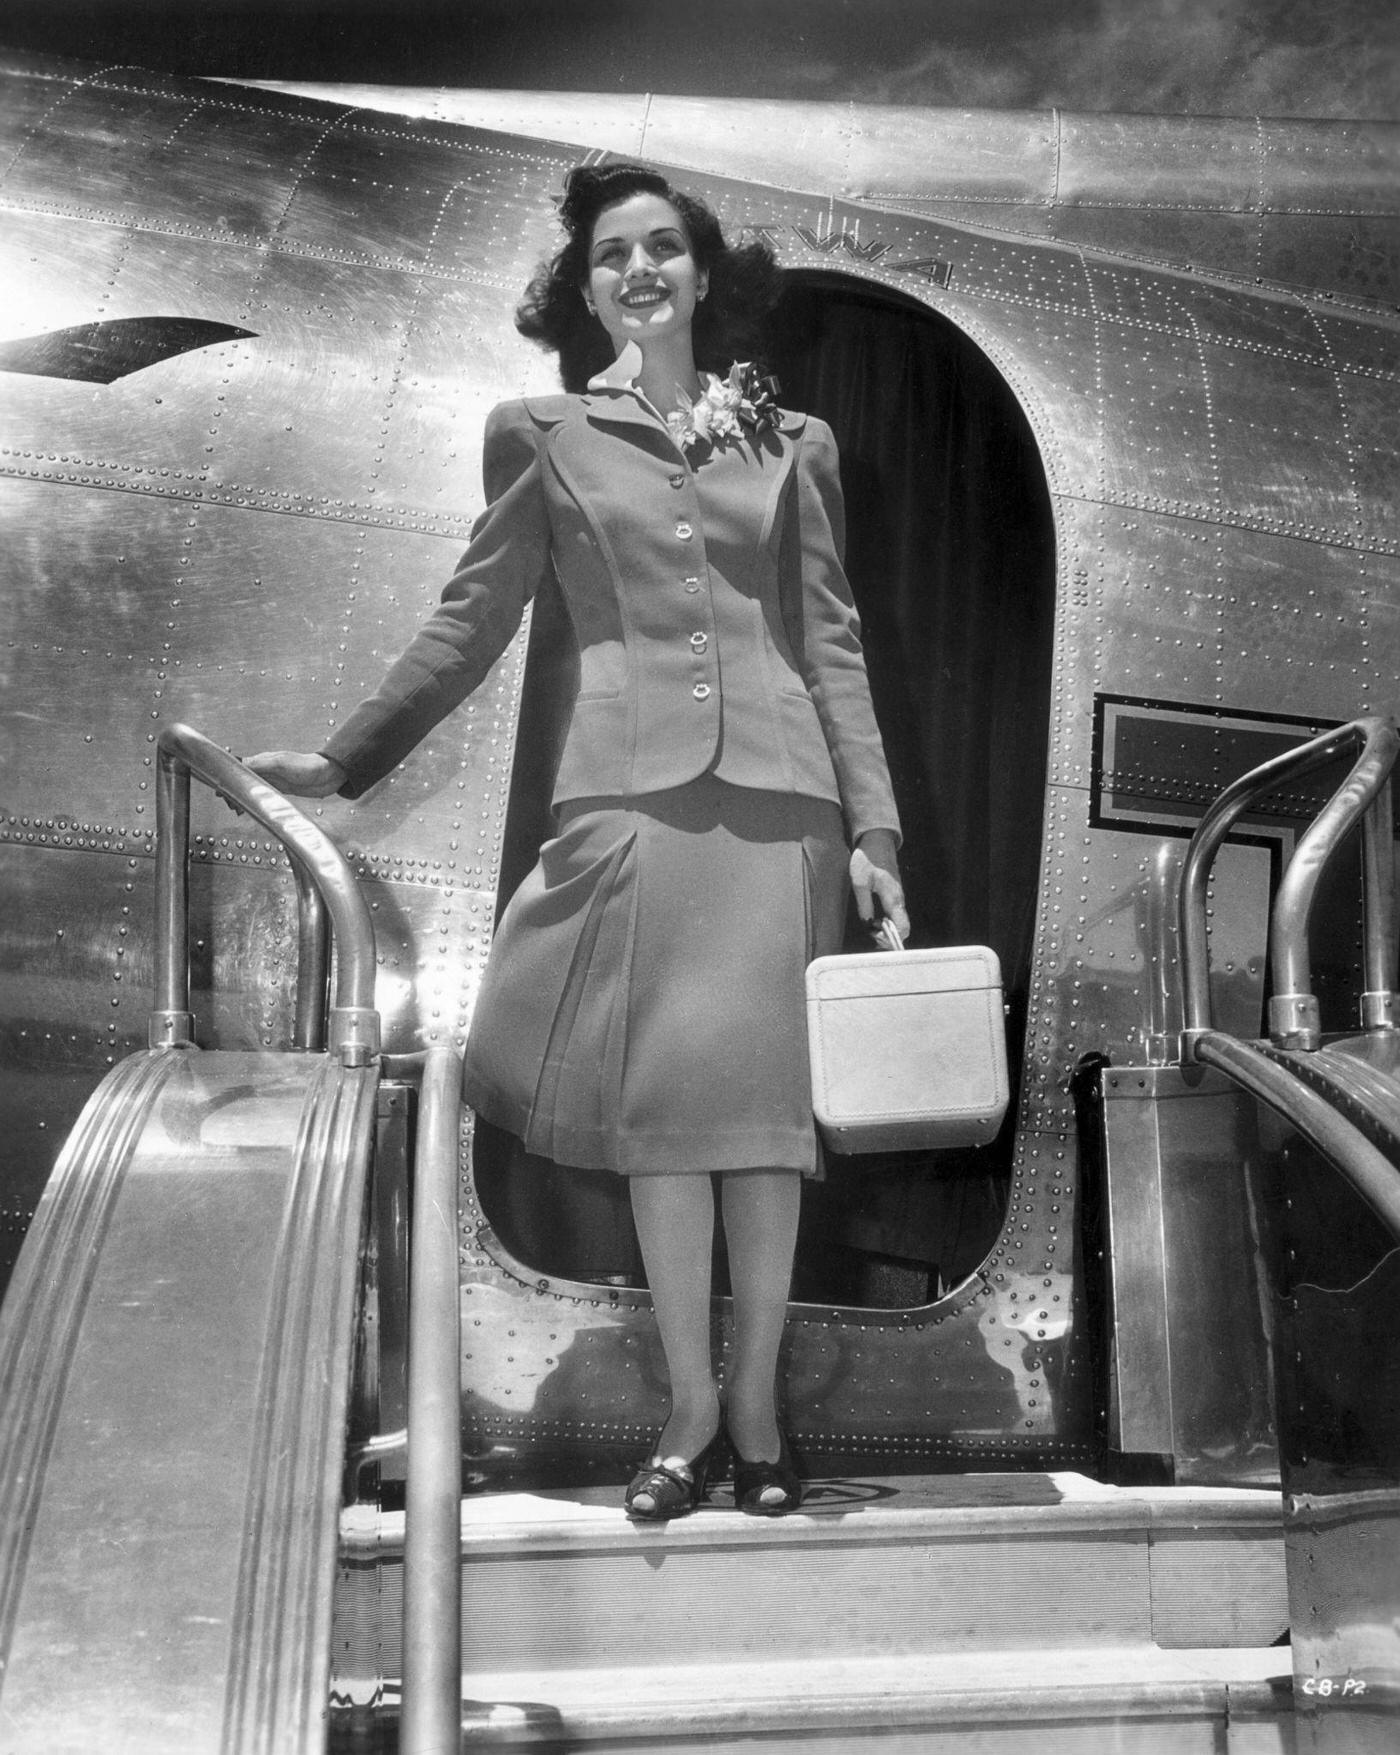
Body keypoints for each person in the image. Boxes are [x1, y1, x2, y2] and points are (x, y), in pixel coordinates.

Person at [247, 161, 907, 1519]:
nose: (644, 270)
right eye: (617, 255)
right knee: (668, 1124)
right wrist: (348, 755)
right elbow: (472, 618)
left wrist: (876, 827)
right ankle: (687, 1411)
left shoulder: (794, 442)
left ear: (705, 274)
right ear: (588, 285)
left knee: (766, 1133)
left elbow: (831, 647)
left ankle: (764, 1410)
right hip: (633, 800)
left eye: (667, 247)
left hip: (783, 808)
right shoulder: (542, 430)